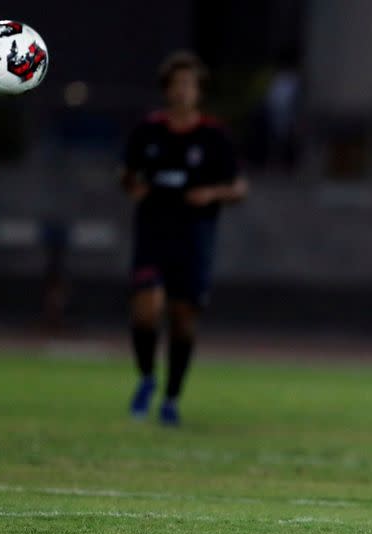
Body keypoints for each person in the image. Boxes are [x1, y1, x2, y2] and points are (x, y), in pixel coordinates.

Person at [120, 51, 248, 426]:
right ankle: (146, 377)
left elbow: (239, 187)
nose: (182, 92)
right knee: (146, 308)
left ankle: (172, 398)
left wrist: (212, 194)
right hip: (154, 230)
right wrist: (132, 185)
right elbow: (126, 174)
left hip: (194, 235)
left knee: (183, 317)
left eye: (189, 85)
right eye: (176, 85)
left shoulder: (213, 136)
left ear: (199, 91)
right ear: (166, 90)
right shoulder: (149, 131)